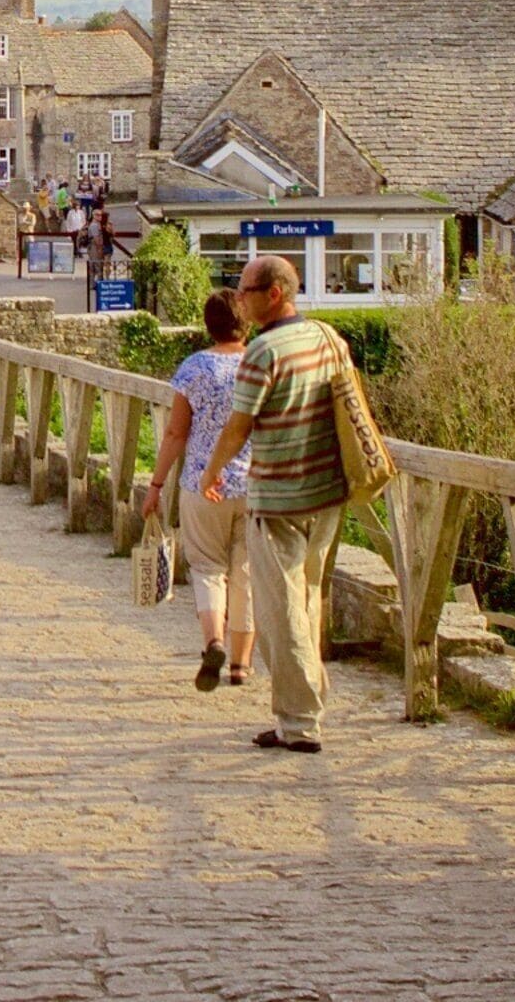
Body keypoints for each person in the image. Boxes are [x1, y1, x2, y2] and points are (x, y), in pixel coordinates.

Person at [198, 252, 353, 753]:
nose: (238, 299)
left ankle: (300, 722)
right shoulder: (327, 338)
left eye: (245, 290)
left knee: (280, 609)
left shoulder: (262, 353)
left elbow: (237, 428)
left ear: (274, 294)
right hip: (327, 491)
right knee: (307, 598)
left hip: (281, 495)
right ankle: (311, 698)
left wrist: (210, 472)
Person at [134, 289, 256, 693]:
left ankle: (213, 642)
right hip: (255, 486)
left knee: (207, 570)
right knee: (245, 575)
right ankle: (241, 665)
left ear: (209, 325)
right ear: (247, 322)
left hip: (203, 485)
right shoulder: (259, 366)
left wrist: (155, 485)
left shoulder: (194, 368)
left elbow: (175, 433)